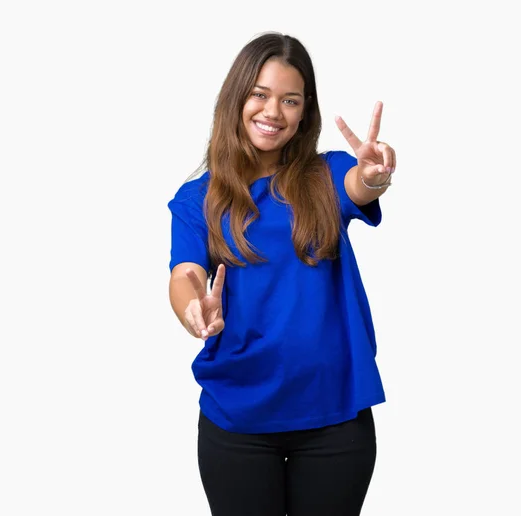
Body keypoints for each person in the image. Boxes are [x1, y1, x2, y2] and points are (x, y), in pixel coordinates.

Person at [167, 31, 396, 516]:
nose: (273, 112)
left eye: (290, 100)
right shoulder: (198, 199)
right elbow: (185, 272)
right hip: (238, 419)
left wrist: (372, 177)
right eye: (260, 95)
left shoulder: (326, 175)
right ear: (237, 98)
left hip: (335, 417)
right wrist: (193, 307)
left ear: (304, 112)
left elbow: (358, 185)